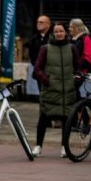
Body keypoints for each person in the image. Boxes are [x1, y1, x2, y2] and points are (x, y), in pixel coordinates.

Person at [32, 22, 77, 158]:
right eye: (56, 31)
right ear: (53, 33)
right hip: (50, 91)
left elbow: (78, 67)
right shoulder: (45, 48)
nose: (59, 34)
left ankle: (64, 146)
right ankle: (38, 146)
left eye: (61, 31)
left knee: (66, 120)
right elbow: (37, 69)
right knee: (44, 119)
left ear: (65, 32)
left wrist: (76, 81)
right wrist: (47, 80)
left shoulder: (72, 48)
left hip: (67, 90)